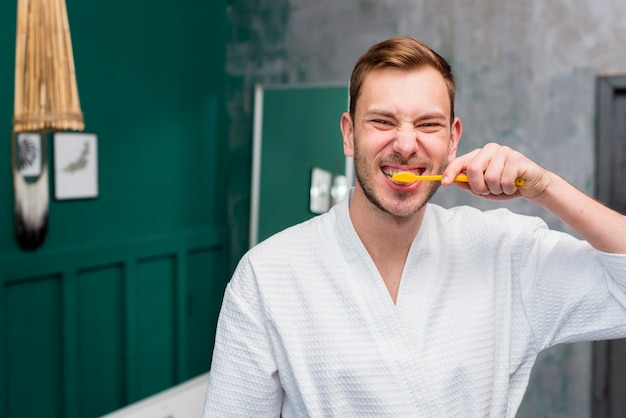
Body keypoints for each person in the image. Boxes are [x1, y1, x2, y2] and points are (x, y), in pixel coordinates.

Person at [202, 36, 626, 417]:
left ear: (453, 140)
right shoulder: (267, 275)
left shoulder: (505, 249)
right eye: (382, 122)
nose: (406, 145)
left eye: (428, 125)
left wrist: (546, 187)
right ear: (348, 135)